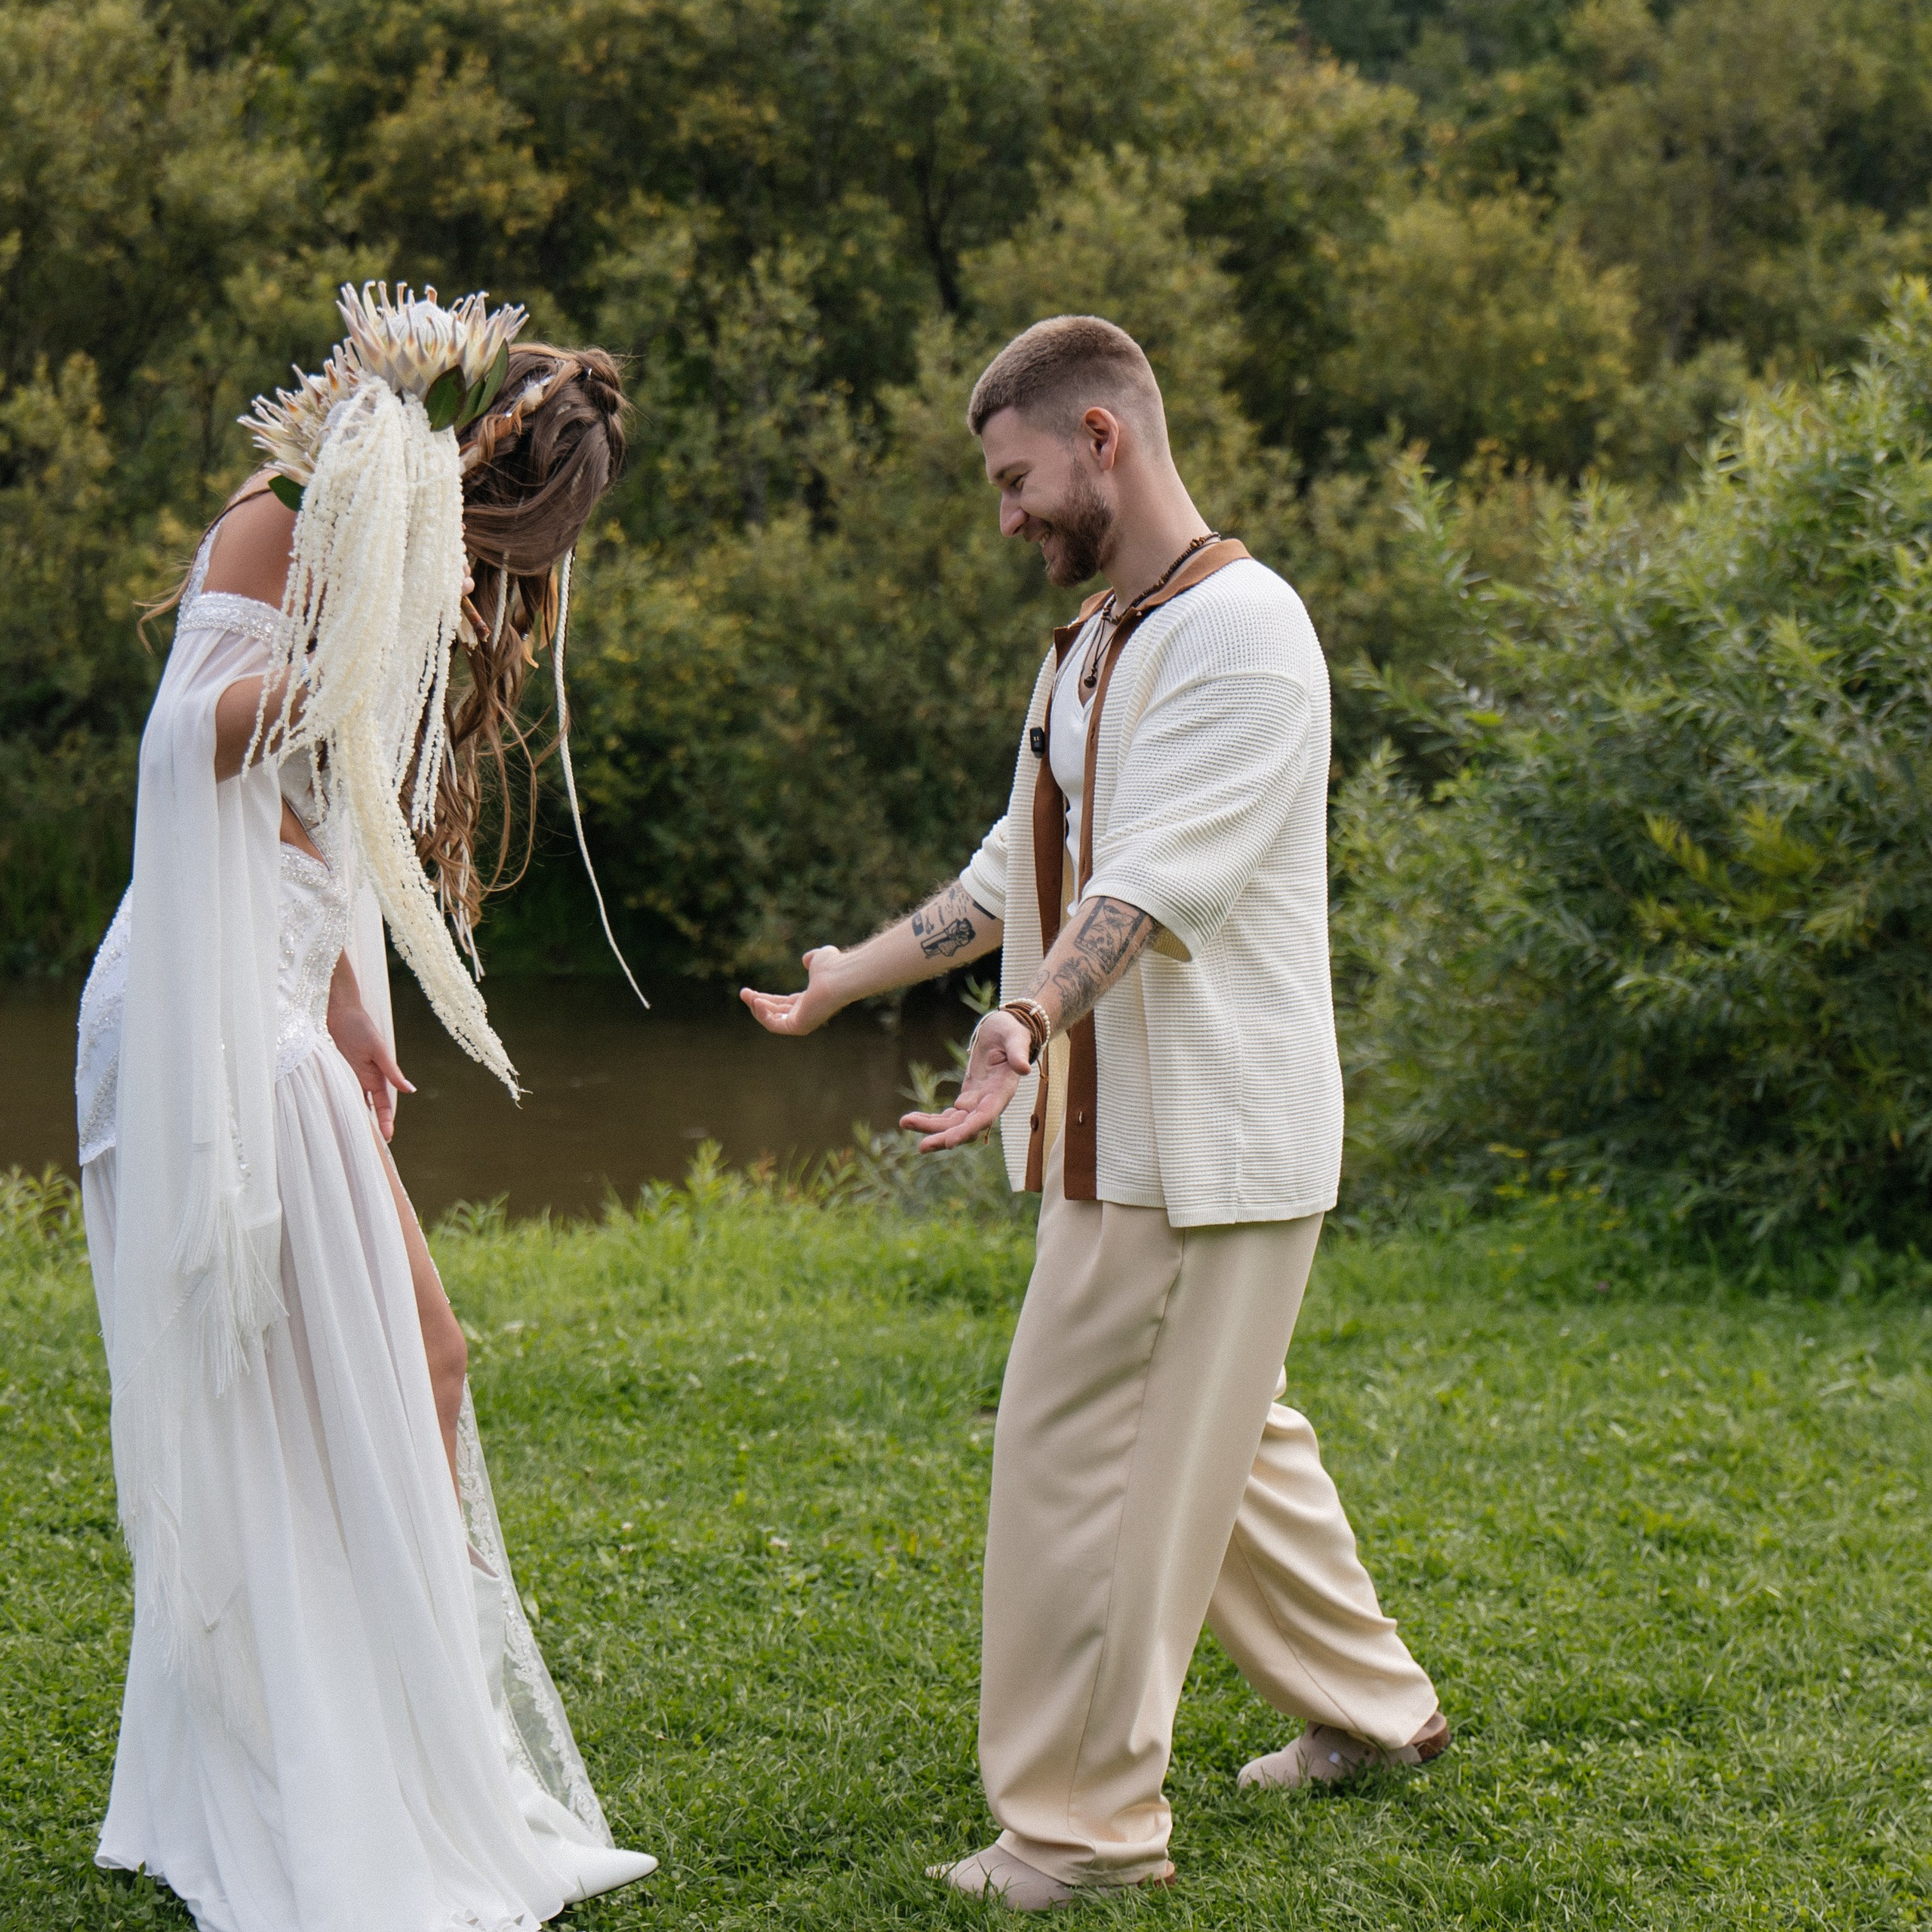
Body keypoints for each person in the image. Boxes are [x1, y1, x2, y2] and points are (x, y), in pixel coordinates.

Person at [742, 314, 1447, 1909]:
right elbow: (1023, 869)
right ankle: (1376, 1710)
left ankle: (1079, 1829)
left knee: (1088, 1458)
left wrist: (1027, 1016)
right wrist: (844, 979)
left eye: (1013, 477)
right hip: (1123, 1136)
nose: (1003, 515)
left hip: (1197, 1147)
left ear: (1101, 438)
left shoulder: (1242, 632)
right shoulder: (1094, 641)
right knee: (1224, 1442)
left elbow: (1146, 882)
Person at [74, 285, 657, 1930]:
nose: (500, 581)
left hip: (280, 1001)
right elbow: (195, 740)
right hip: (192, 1021)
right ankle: (317, 1772)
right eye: (502, 538)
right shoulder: (281, 522)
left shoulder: (405, 562)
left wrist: (355, 1010)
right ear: (460, 469)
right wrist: (363, 638)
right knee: (308, 1390)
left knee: (411, 1367)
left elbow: (322, 828)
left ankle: (398, 1741)